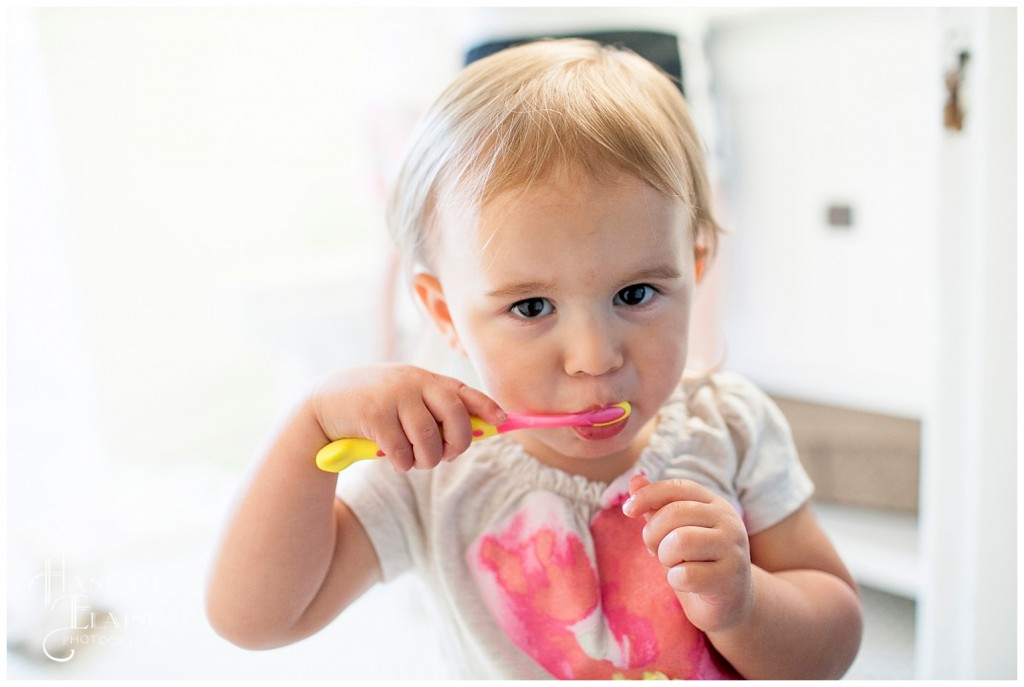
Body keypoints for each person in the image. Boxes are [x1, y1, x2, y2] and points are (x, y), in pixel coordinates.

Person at [205, 38, 863, 679]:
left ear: (694, 268)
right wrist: (309, 429)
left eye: (635, 293)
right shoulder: (436, 469)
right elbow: (253, 618)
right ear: (445, 313)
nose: (593, 357)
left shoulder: (734, 428)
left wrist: (744, 604)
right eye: (531, 308)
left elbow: (830, 647)